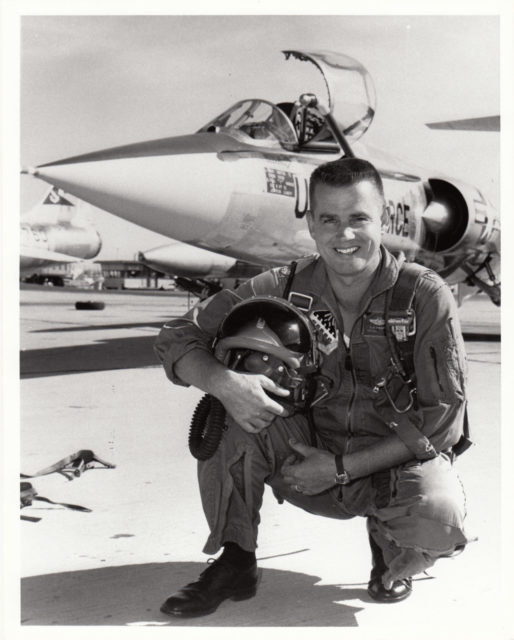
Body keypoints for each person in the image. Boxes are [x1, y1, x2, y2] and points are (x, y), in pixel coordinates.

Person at [154, 157, 471, 617]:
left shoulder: (423, 295)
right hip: (303, 456)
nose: (345, 235)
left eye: (359, 218)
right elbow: (177, 336)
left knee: (439, 518)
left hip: (387, 464)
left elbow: (442, 424)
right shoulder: (281, 286)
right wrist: (225, 383)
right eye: (330, 220)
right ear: (312, 224)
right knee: (228, 410)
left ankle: (389, 553)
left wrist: (341, 468)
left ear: (381, 219)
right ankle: (236, 559)